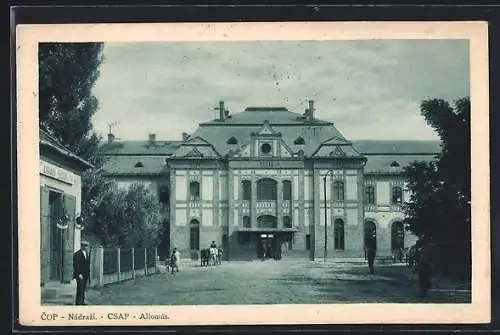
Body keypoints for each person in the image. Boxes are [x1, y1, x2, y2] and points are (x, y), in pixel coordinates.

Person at [73, 240, 91, 305]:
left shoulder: (86, 253)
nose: (86, 247)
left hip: (85, 274)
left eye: (87, 246)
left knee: (83, 288)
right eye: (85, 246)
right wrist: (79, 274)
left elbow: (87, 264)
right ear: (82, 246)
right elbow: (76, 265)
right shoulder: (77, 254)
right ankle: (78, 302)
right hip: (80, 275)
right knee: (80, 288)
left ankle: (82, 301)